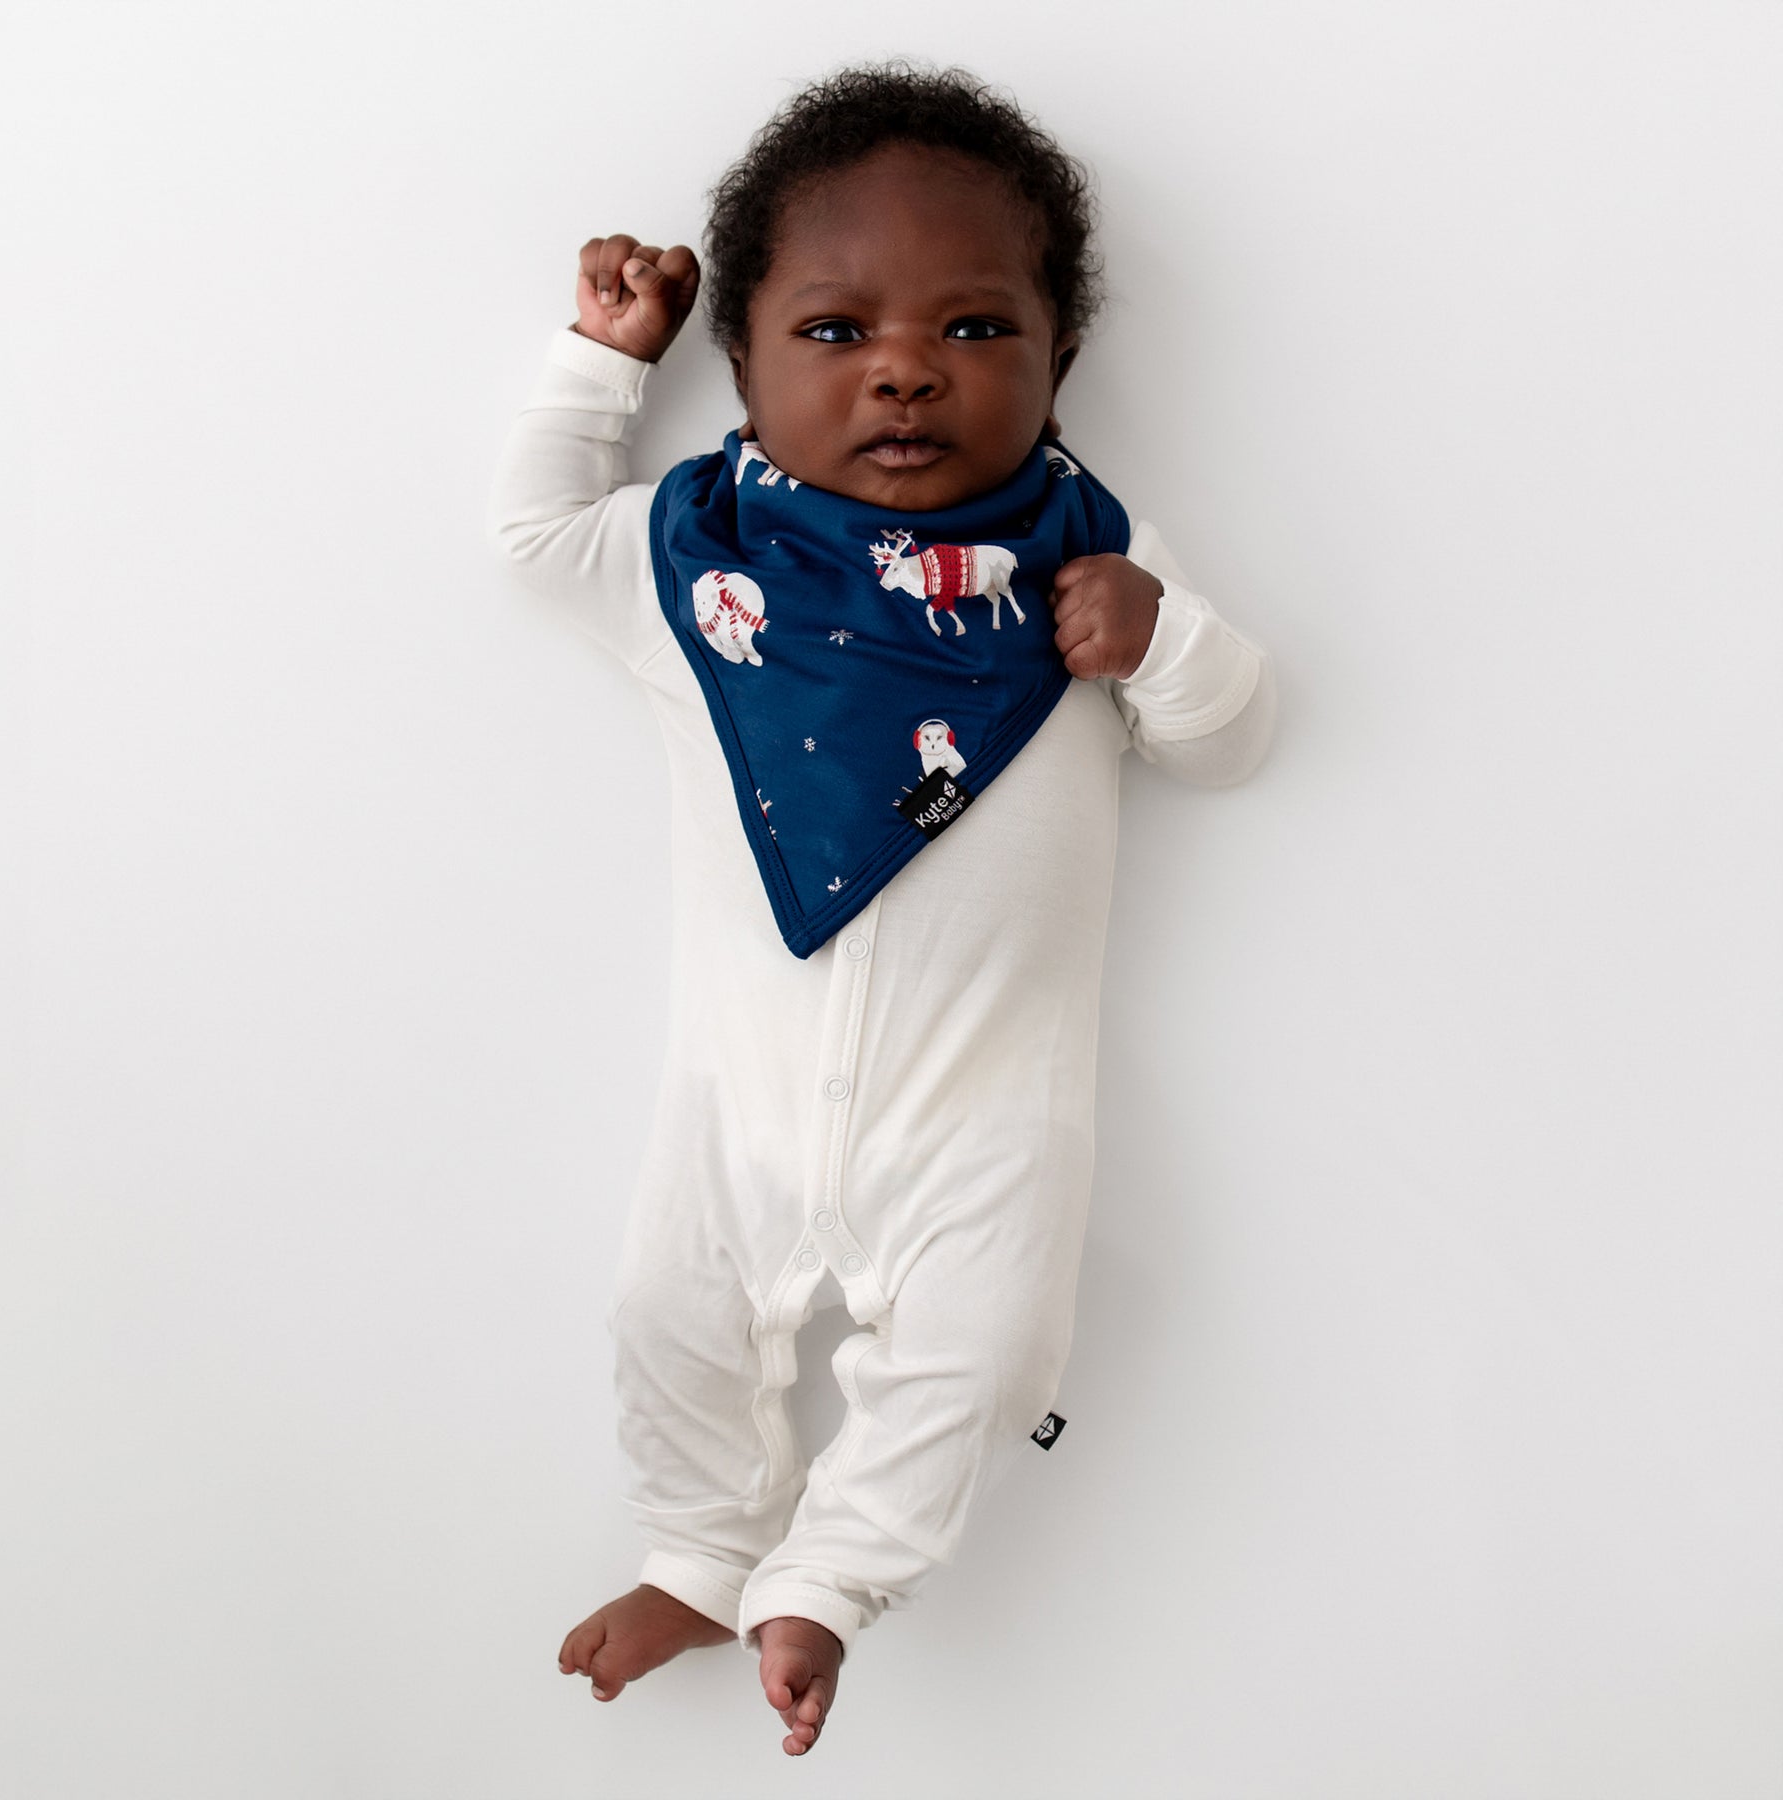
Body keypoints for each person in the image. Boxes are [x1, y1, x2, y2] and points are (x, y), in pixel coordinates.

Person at [485, 61, 1277, 1757]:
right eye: (835, 333)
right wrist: (601, 366)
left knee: (988, 1360)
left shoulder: (1093, 556)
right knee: (664, 1316)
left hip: (984, 1119)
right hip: (738, 1107)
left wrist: (1169, 647)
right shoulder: (697, 575)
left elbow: (1233, 742)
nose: (906, 367)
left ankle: (826, 1583)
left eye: (976, 329)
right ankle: (699, 1551)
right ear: (745, 367)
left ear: (1061, 354)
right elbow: (534, 534)